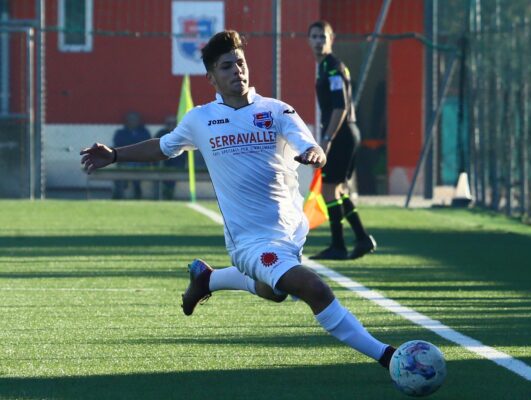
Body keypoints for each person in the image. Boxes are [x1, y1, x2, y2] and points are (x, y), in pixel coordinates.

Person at [80, 30, 396, 372]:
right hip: (249, 241)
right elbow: (162, 146)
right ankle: (389, 357)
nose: (237, 71)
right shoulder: (200, 119)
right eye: (227, 66)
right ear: (212, 77)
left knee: (274, 291)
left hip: (290, 233)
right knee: (312, 288)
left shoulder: (276, 111)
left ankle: (207, 279)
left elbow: (307, 143)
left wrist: (314, 153)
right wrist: (114, 155)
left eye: (240, 63)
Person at [307, 20, 377, 260]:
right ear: (309, 40)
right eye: (314, 37)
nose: (318, 41)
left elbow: (340, 107)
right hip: (346, 133)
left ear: (331, 39)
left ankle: (338, 245)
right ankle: (362, 238)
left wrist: (327, 138)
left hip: (342, 134)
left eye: (322, 37)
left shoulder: (333, 67)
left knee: (328, 189)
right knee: (336, 189)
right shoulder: (326, 67)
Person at [112, 111, 151, 199]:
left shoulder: (144, 132)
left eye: (135, 119)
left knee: (135, 165)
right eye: (130, 119)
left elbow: (147, 147)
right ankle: (119, 193)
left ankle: (136, 189)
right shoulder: (120, 133)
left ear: (139, 121)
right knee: (124, 166)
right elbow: (118, 146)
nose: (133, 121)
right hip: (124, 160)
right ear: (126, 121)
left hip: (141, 160)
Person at [155, 115, 185, 200]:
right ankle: (160, 195)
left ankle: (169, 193)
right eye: (169, 123)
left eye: (173, 123)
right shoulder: (161, 133)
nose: (171, 125)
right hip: (162, 162)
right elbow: (155, 148)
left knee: (176, 164)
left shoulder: (181, 134)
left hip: (176, 162)